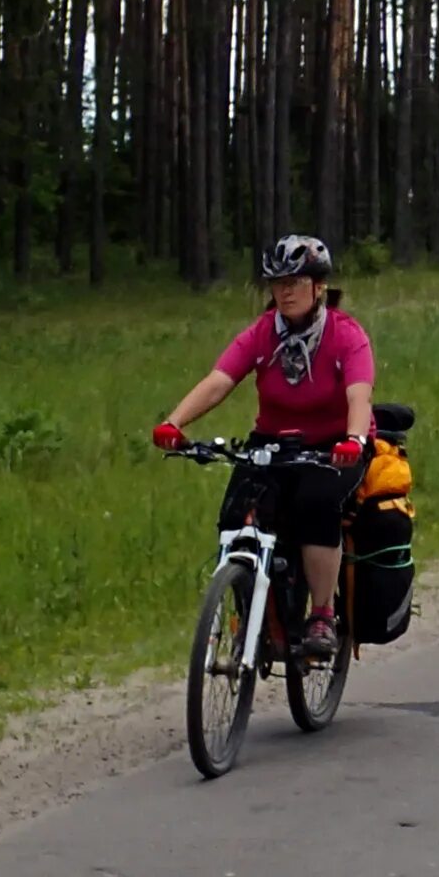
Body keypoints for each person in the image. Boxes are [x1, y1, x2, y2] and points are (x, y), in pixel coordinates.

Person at [152, 235, 377, 657]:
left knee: (315, 501)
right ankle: (252, 614)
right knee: (238, 511)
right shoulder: (262, 334)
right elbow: (220, 380)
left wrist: (353, 438)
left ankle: (323, 615)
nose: (285, 291)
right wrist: (174, 423)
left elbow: (359, 395)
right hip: (274, 441)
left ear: (318, 286)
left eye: (295, 282)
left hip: (335, 442)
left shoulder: (346, 334)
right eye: (277, 283)